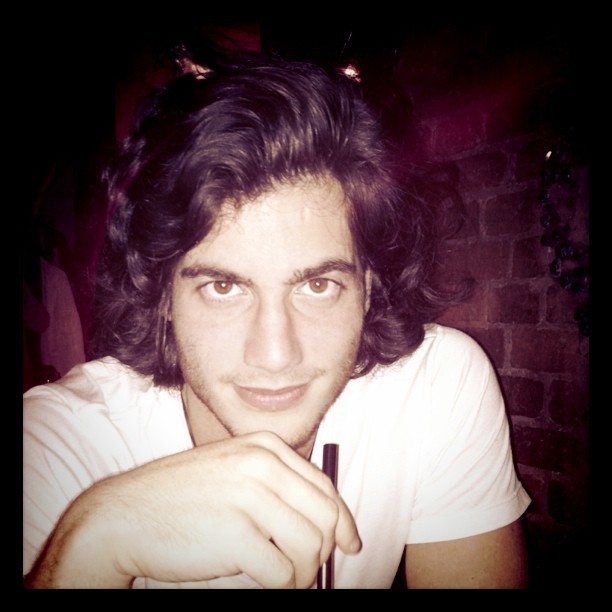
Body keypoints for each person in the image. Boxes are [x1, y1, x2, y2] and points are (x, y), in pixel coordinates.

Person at [23, 53, 531, 589]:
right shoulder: (56, 446)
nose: (274, 355)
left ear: (369, 287)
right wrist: (92, 547)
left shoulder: (435, 385)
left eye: (317, 286)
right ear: (164, 295)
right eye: (224, 288)